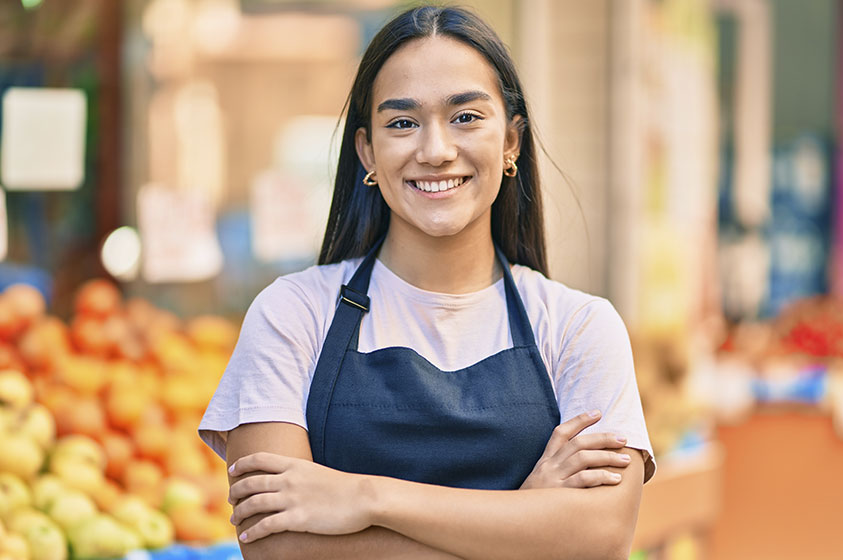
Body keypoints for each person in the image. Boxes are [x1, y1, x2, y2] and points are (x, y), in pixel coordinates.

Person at [199, 5, 655, 559]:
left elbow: (601, 537)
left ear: (511, 142)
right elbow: (279, 546)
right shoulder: (292, 314)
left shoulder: (580, 327)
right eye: (402, 123)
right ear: (367, 151)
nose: (436, 151)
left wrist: (365, 497)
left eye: (466, 117)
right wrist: (525, 524)